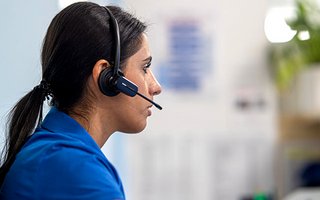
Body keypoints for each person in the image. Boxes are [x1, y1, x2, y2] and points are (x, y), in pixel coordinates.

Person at [0, 2, 162, 199]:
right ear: (108, 76)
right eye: (145, 68)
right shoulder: (74, 169)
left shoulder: (55, 152)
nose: (156, 87)